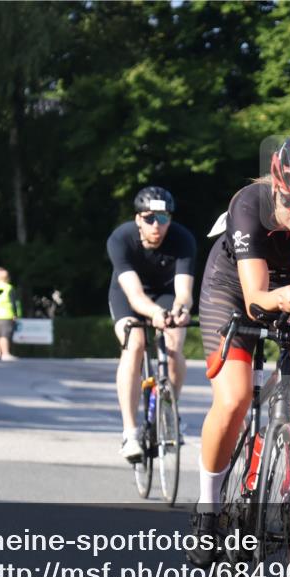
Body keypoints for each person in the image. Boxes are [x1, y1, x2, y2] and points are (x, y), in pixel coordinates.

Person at [187, 130, 290, 567]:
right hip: (234, 286)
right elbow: (255, 299)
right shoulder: (249, 203)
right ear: (277, 185)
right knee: (236, 398)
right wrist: (276, 302)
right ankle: (207, 510)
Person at [108, 186, 196, 462]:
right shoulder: (121, 239)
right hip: (128, 294)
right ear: (138, 219)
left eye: (163, 218)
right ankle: (130, 432)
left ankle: (169, 412)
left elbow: (184, 293)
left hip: (166, 293)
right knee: (134, 345)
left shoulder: (183, 239)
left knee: (173, 345)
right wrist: (155, 313)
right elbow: (135, 295)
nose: (156, 225)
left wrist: (181, 310)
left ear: (170, 219)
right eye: (149, 219)